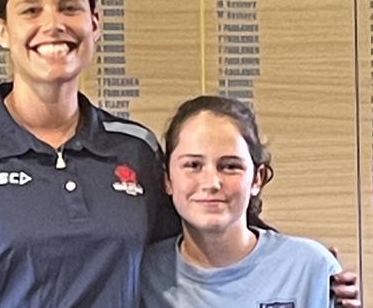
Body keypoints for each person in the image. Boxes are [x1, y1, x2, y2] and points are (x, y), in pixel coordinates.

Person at [0, 0, 359, 307]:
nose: (53, 24)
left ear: (95, 24)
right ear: (2, 31)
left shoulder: (136, 147)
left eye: (70, 8)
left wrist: (304, 268)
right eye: (30, 10)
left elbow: (204, 229)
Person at [141, 95, 359, 307]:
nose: (211, 183)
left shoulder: (310, 268)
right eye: (193, 165)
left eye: (230, 166)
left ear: (257, 178)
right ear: (167, 179)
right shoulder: (140, 274)